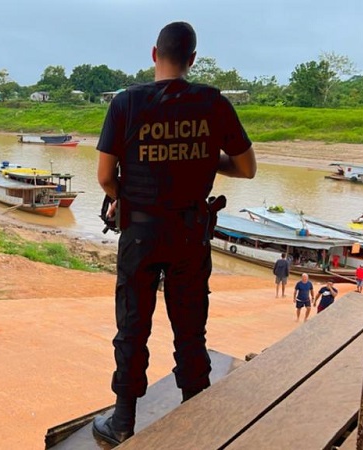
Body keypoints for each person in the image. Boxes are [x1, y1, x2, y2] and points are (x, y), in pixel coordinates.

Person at [92, 21, 256, 446]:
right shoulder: (213, 104)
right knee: (190, 327)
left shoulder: (126, 103)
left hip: (140, 234)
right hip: (190, 234)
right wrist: (204, 159)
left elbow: (105, 176)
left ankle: (123, 421)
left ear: (154, 54)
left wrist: (123, 196)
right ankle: (195, 411)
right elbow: (246, 168)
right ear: (192, 60)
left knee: (133, 324)